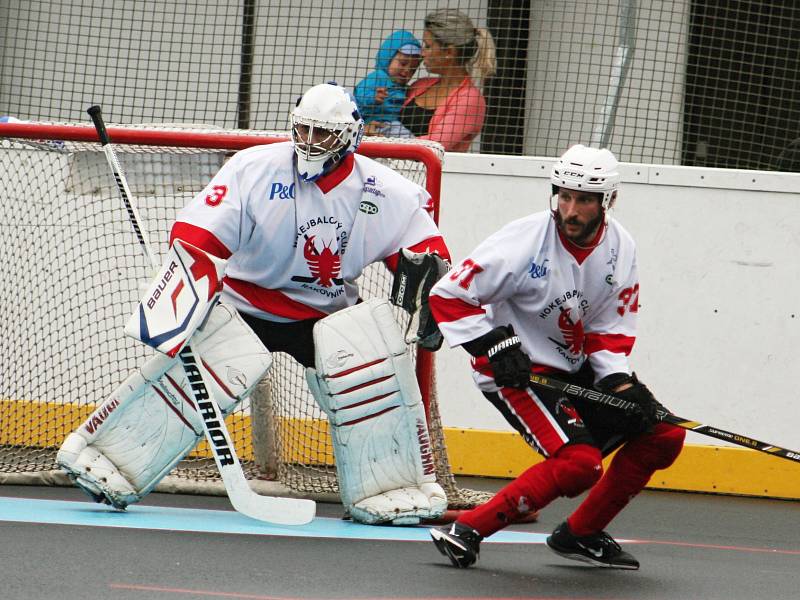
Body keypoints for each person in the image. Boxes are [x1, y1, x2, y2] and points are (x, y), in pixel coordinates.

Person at [56, 82, 452, 526]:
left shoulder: (385, 190)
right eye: (303, 130)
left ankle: (391, 487)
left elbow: (427, 256)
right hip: (245, 304)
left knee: (374, 367)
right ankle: (109, 460)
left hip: (327, 314)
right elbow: (199, 237)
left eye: (323, 134)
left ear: (350, 136)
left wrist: (428, 288)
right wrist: (186, 289)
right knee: (191, 379)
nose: (310, 142)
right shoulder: (254, 168)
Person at [427, 144, 685, 569]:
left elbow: (608, 329)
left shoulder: (620, 248)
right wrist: (491, 343)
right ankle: (467, 529)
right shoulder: (524, 240)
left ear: (608, 201)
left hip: (572, 368)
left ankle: (580, 533)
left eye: (583, 200)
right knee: (580, 465)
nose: (570, 210)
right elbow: (449, 296)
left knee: (663, 434)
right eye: (564, 195)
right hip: (516, 372)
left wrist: (622, 385)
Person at [388, 9, 496, 152]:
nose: (422, 52)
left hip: (434, 173)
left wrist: (384, 141)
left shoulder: (470, 100)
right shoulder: (419, 85)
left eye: (428, 46)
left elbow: (435, 145)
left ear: (449, 52)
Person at [354, 29, 422, 138]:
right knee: (409, 140)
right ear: (388, 57)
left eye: (413, 69)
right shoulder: (378, 76)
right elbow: (359, 95)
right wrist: (374, 97)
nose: (407, 70)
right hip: (377, 122)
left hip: (390, 124)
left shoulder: (403, 87)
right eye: (403, 63)